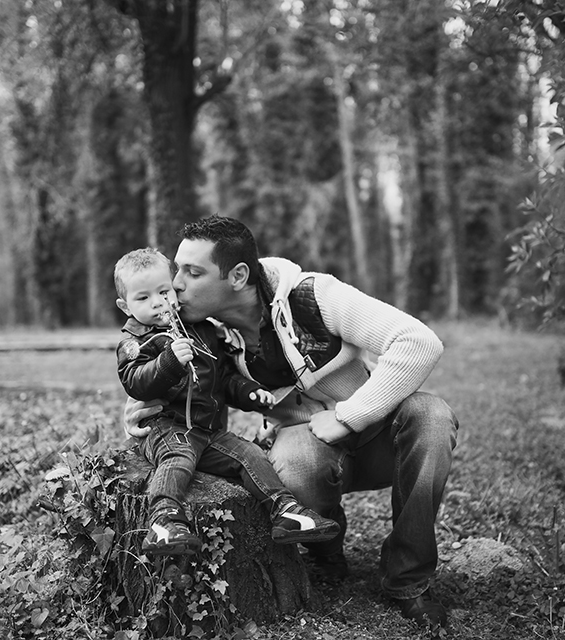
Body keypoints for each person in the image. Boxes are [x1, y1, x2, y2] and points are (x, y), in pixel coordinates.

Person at [123, 216, 459, 627]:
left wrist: (350, 417)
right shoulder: (205, 331)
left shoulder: (313, 296)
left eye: (193, 273)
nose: (176, 284)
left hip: (377, 434)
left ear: (238, 275)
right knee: (295, 462)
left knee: (432, 415)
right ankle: (326, 549)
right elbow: (160, 366)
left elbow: (419, 341)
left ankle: (409, 579)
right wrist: (143, 405)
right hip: (308, 443)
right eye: (177, 270)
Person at [113, 247, 341, 557]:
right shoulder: (135, 342)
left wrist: (249, 391)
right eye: (143, 298)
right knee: (178, 458)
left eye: (164, 291)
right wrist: (167, 363)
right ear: (125, 306)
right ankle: (163, 520)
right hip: (167, 428)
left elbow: (223, 377)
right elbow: (135, 381)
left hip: (209, 430)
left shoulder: (203, 330)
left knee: (249, 454)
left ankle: (285, 510)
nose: (158, 302)